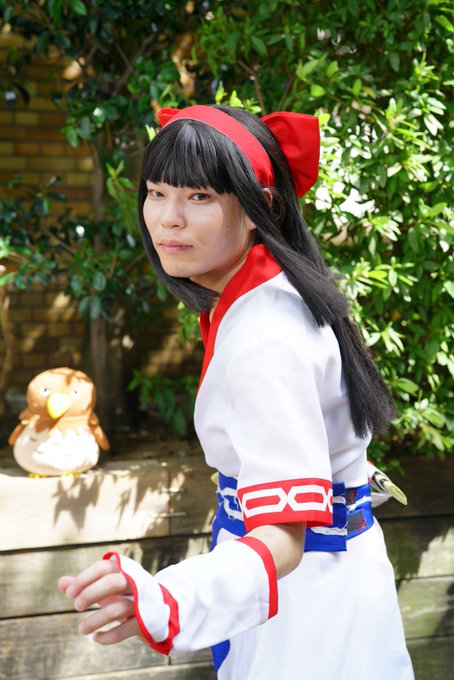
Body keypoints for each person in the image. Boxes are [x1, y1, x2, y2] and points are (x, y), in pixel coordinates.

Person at [58, 104, 414, 679]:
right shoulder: (267, 296)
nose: (168, 218)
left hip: (306, 608)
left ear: (259, 208)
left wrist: (169, 599)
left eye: (198, 197)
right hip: (324, 584)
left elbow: (284, 538)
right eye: (156, 192)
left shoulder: (265, 335)